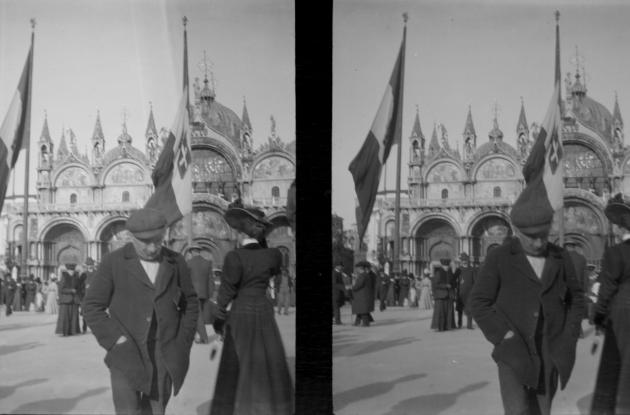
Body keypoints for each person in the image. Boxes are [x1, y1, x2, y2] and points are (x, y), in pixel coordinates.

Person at [469, 184, 584, 415]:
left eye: (543, 236)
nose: (539, 243)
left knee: (542, 410)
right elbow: (478, 302)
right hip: (514, 349)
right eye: (531, 237)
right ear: (516, 230)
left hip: (550, 348)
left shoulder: (560, 257)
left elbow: (577, 299)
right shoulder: (499, 257)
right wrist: (503, 335)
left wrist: (568, 335)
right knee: (518, 410)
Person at [83, 208, 199, 415]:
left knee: (156, 410)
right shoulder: (113, 261)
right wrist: (115, 340)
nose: (153, 247)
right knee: (128, 410)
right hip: (126, 352)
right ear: (131, 237)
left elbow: (190, 302)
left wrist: (183, 340)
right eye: (146, 242)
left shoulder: (175, 261)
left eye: (158, 240)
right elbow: (92, 306)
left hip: (163, 352)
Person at [210, 202, 293, 414]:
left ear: (240, 233)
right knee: (267, 358)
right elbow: (271, 268)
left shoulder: (234, 257)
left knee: (239, 360)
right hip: (264, 310)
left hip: (241, 312)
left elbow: (226, 293)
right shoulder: (273, 255)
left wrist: (219, 320)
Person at [591, 193, 630, 414]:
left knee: (616, 367)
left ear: (619, 227)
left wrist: (598, 316)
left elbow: (606, 290)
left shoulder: (615, 253)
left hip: (622, 316)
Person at [186, 245, 214, 344]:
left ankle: (204, 337)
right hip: (204, 293)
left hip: (193, 293)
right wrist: (210, 293)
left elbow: (186, 280)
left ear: (193, 251)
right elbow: (211, 280)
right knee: (201, 314)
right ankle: (200, 336)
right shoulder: (207, 263)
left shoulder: (188, 263)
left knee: (197, 315)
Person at [55, 264, 81, 336]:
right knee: (65, 316)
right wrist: (70, 290)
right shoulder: (64, 276)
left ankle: (73, 331)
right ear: (67, 270)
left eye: (72, 270)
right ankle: (63, 331)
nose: (71, 272)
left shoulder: (76, 276)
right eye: (70, 270)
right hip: (65, 299)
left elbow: (79, 287)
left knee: (74, 316)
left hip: (74, 299)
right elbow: (61, 289)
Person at [431, 259, 456, 332]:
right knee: (440, 312)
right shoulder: (438, 273)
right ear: (442, 266)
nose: (446, 267)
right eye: (445, 266)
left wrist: (453, 286)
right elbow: (435, 284)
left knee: (449, 311)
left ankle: (448, 326)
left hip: (449, 295)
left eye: (447, 266)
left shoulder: (450, 272)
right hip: (440, 295)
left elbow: (453, 283)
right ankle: (439, 327)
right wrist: (445, 285)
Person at [351, 261, 375, 327]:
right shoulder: (365, 275)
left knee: (363, 311)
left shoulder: (362, 275)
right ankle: (357, 322)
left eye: (357, 268)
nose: (356, 270)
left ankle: (366, 323)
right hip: (363, 295)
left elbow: (359, 285)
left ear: (360, 268)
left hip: (362, 296)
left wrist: (352, 287)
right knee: (360, 310)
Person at [457, 253, 477, 329]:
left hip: (470, 292)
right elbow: (454, 280)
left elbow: (475, 281)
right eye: (462, 260)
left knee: (469, 309)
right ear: (461, 261)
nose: (464, 261)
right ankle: (459, 324)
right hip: (460, 292)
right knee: (460, 309)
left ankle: (469, 325)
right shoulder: (458, 270)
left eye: (465, 260)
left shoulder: (472, 269)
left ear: (468, 260)